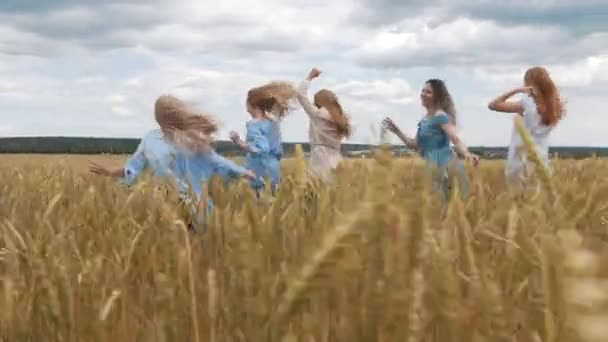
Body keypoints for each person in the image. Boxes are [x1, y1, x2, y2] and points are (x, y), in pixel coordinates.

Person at [89, 94, 255, 230]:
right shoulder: (150, 138)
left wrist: (243, 173)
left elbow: (215, 160)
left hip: (196, 205)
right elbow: (133, 167)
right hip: (168, 205)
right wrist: (110, 173)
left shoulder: (192, 139)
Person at [383, 79, 479, 202]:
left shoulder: (440, 116)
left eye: (428, 92)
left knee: (450, 206)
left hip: (446, 165)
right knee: (437, 209)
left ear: (436, 97)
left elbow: (455, 139)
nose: (423, 94)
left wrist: (466, 153)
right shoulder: (423, 120)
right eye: (423, 91)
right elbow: (414, 144)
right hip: (432, 166)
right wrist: (397, 131)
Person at [488, 66, 565, 188]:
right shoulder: (555, 107)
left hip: (520, 159)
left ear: (528, 83)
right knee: (538, 200)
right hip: (541, 159)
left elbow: (493, 105)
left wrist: (517, 90)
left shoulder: (526, 105)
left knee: (518, 199)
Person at [229, 81, 296, 196]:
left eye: (247, 103)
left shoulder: (253, 124)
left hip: (259, 169)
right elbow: (277, 150)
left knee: (258, 205)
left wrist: (238, 141)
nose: (246, 108)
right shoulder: (274, 122)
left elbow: (261, 149)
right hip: (273, 168)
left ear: (253, 104)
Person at [295, 67, 351, 182]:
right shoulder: (340, 119)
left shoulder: (317, 114)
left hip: (320, 159)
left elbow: (301, 95)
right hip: (336, 159)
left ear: (318, 102)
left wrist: (310, 76)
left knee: (317, 194)